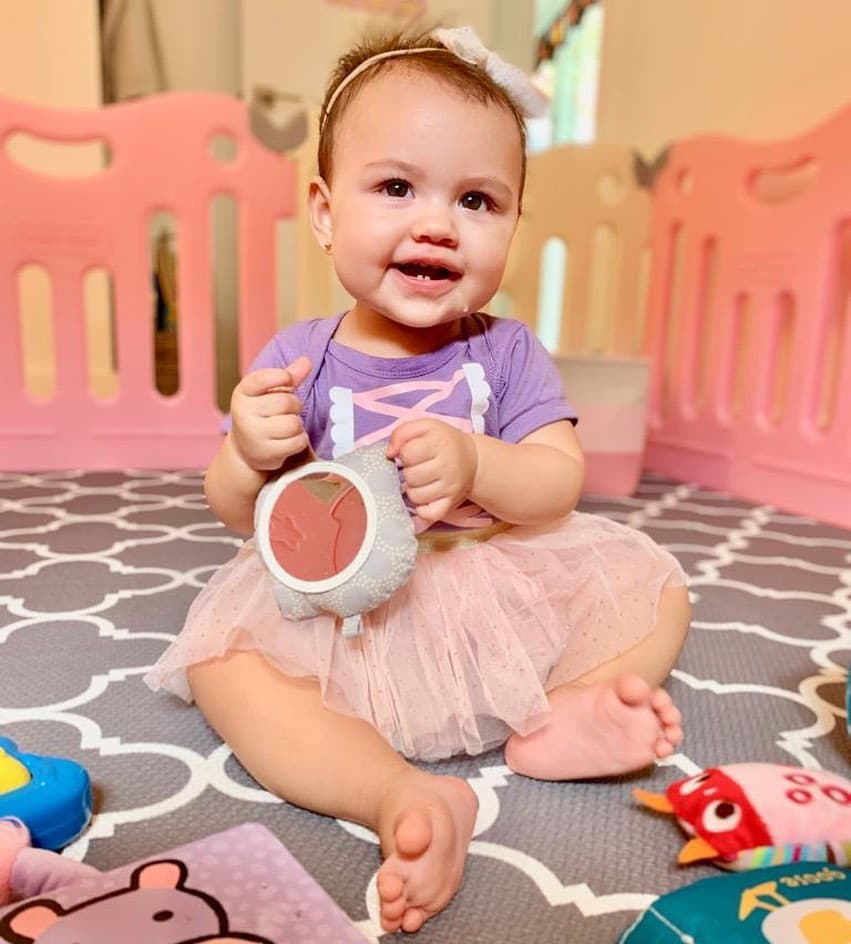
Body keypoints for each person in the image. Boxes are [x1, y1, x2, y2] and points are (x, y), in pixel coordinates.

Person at [145, 25, 690, 934]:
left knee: (655, 590)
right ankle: (397, 794)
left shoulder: (505, 351)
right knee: (225, 665)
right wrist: (244, 454)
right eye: (395, 187)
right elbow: (242, 517)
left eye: (476, 199)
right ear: (324, 211)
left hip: (482, 578)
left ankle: (555, 720)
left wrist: (482, 462)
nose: (436, 222)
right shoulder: (299, 360)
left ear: (513, 223)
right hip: (344, 613)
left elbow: (559, 482)